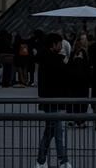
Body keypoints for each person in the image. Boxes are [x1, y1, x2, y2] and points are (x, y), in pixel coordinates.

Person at [35, 33, 72, 168]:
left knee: (50, 131)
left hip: (47, 100)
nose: (61, 46)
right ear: (53, 45)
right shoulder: (55, 60)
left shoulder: (45, 58)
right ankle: (63, 161)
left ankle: (40, 161)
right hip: (55, 99)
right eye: (60, 44)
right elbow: (65, 75)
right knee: (58, 131)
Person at [67, 33, 91, 124]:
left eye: (85, 39)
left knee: (80, 100)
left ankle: (79, 119)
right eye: (82, 39)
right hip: (77, 81)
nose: (84, 41)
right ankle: (78, 119)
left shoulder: (85, 52)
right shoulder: (77, 53)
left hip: (81, 81)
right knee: (79, 100)